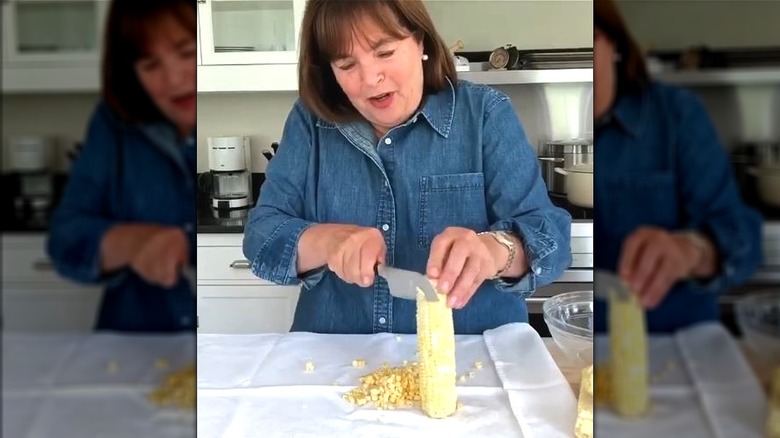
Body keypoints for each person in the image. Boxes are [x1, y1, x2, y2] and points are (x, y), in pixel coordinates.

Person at [242, 0, 572, 335]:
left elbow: (550, 238)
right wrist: (328, 242)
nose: (370, 78)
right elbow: (260, 237)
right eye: (346, 64)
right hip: (334, 362)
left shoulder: (485, 114)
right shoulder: (310, 123)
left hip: (475, 357)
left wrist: (493, 251)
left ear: (421, 42)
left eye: (384, 52)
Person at [593, 0, 763, 333]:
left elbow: (744, 236)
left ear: (614, 44)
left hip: (675, 335)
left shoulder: (678, 116)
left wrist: (691, 251)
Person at [47, 0, 197, 332]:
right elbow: (64, 237)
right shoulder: (113, 123)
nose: (174, 79)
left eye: (186, 52)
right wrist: (134, 243)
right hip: (133, 343)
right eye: (149, 64)